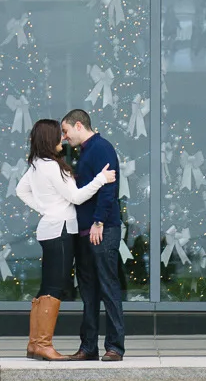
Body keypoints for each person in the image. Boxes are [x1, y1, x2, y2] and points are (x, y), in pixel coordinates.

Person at [13, 118, 115, 361]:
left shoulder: (37, 164)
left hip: (50, 228)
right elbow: (77, 197)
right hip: (59, 230)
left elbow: (20, 190)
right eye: (58, 135)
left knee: (46, 287)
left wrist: (45, 208)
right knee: (54, 287)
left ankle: (34, 344)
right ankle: (43, 345)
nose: (63, 138)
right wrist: (101, 179)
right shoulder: (50, 166)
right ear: (49, 138)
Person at [61, 108, 124, 360]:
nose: (65, 137)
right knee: (88, 292)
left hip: (102, 230)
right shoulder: (85, 151)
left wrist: (98, 221)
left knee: (108, 287)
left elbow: (109, 188)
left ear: (79, 125)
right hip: (85, 231)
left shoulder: (101, 148)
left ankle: (115, 347)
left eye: (65, 131)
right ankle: (88, 347)